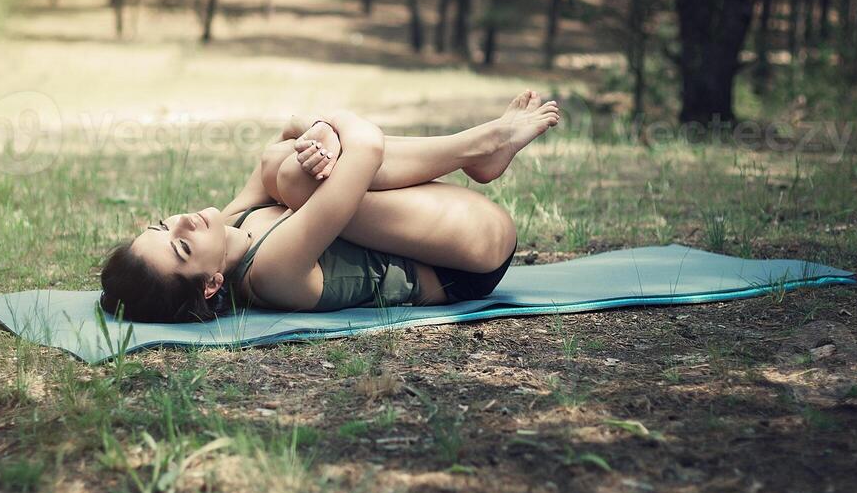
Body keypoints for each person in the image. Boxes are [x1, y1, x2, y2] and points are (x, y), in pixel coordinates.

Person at [98, 91, 561, 322]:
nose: (183, 222)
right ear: (210, 285)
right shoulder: (270, 272)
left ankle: (480, 151)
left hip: (438, 221)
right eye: (182, 248)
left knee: (286, 166)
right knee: (296, 177)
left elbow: (285, 136)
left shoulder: (231, 224)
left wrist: (315, 136)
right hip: (471, 250)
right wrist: (331, 132)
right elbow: (368, 148)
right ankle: (478, 145)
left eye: (164, 225)